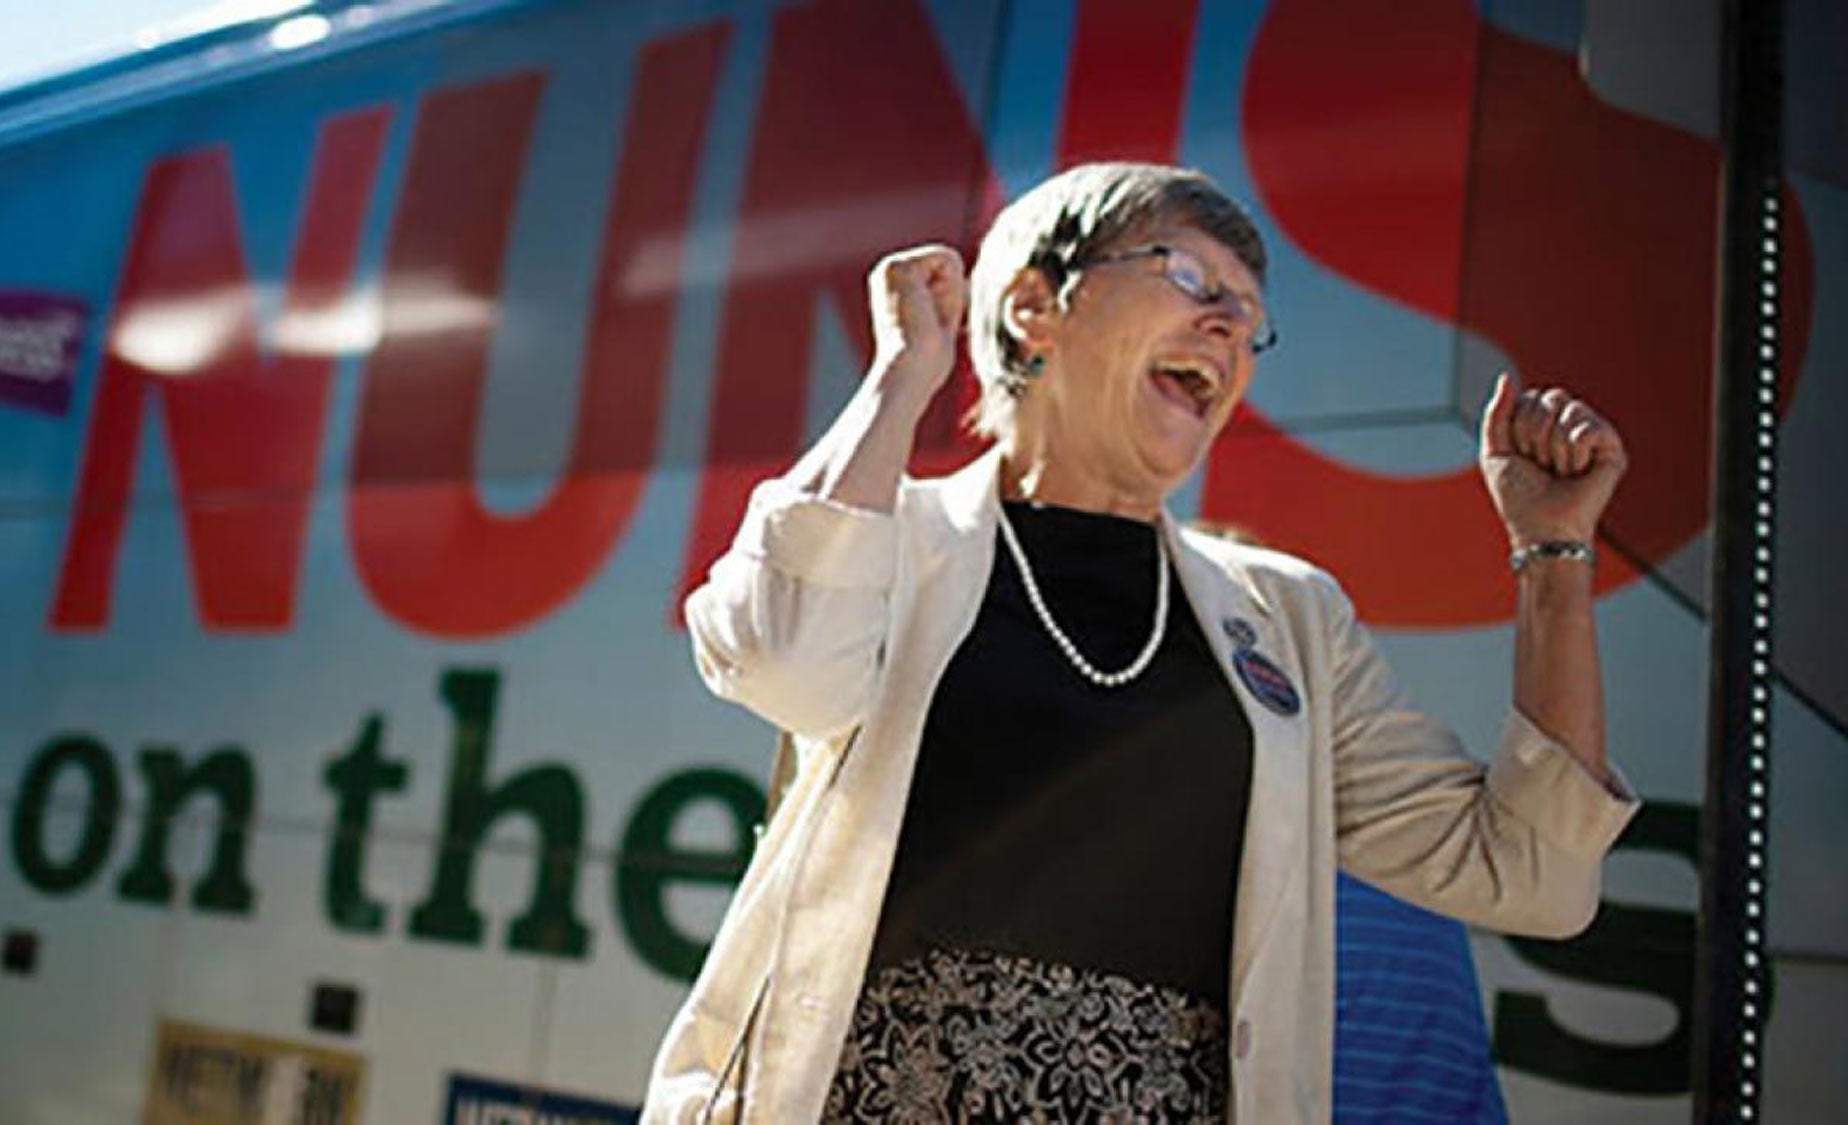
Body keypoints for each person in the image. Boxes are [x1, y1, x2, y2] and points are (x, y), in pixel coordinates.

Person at [642, 163, 1639, 1123]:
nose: (1227, 327)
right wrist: (903, 376)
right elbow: (778, 656)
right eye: (1189, 278)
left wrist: (1552, 552)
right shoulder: (888, 540)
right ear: (1036, 306)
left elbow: (1530, 875)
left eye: (1248, 317)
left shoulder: (1290, 618)